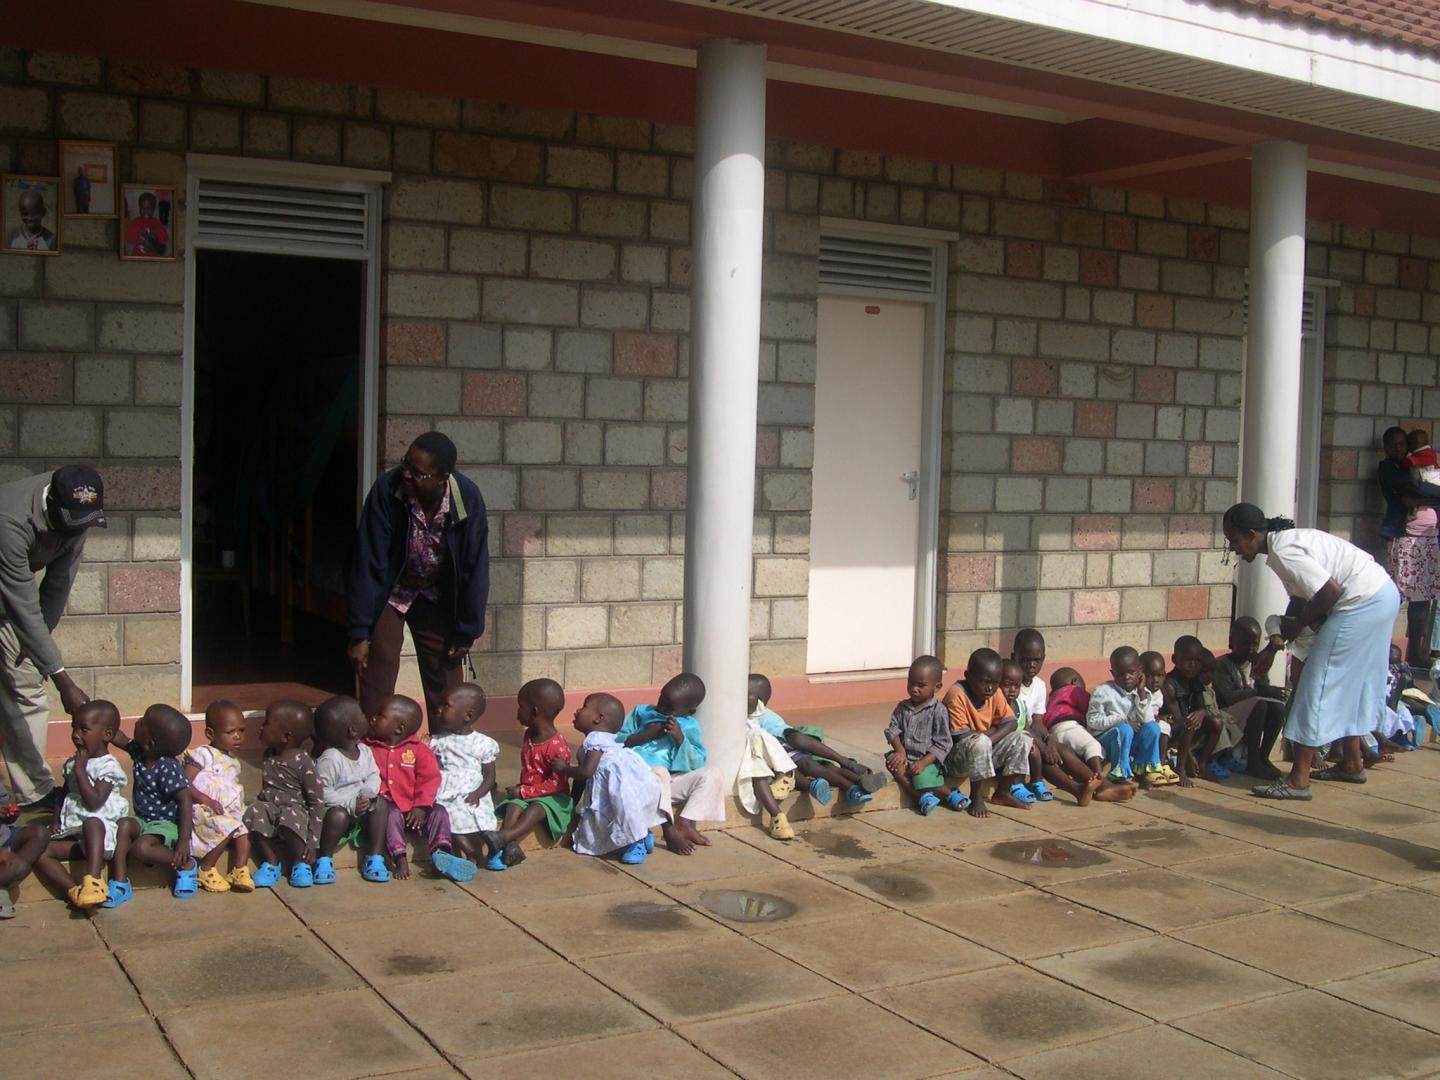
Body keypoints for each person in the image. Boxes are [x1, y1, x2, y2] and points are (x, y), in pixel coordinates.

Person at [1223, 502, 1402, 799]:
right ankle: (1352, 763)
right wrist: (1275, 645)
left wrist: (1299, 625)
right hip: (1381, 594)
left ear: (1251, 534)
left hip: (1361, 602)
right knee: (1351, 685)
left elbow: (1329, 592)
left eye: (1234, 540)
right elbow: (1300, 598)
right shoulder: (1283, 546)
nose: (1233, 548)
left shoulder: (1284, 550)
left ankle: (1298, 780)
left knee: (1314, 687)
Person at [347, 432, 489, 730]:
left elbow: (474, 567)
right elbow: (367, 560)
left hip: (436, 593)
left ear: (442, 478)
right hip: (392, 590)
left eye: (418, 472)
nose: (407, 475)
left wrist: (467, 631)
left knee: (446, 675)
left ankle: (449, 748)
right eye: (405, 465)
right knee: (379, 664)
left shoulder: (467, 498)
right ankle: (375, 747)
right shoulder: (387, 490)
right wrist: (359, 632)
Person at [0, 465, 107, 810]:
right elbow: (21, 603)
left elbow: (58, 583)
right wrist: (62, 679)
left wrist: (37, 645)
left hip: (13, 602)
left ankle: (34, 791)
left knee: (27, 683)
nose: (77, 530)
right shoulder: (9, 520)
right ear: (51, 504)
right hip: (11, 594)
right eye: (71, 522)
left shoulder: (77, 513)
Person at [32, 701, 130, 910]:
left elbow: (94, 802)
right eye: (73, 728)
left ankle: (93, 881)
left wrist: (80, 771)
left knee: (92, 823)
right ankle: (74, 891)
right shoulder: (73, 762)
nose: (76, 735)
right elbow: (64, 794)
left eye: (83, 729)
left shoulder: (108, 766)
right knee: (40, 852)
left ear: (107, 734)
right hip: (76, 836)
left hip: (100, 840)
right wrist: (56, 820)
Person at [365, 695, 472, 883]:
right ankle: (400, 858)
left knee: (439, 812)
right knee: (390, 815)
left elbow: (429, 779)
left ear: (399, 728)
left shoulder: (419, 750)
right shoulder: (368, 747)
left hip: (415, 807)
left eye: (380, 715)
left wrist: (421, 805)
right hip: (389, 805)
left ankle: (442, 854)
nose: (372, 718)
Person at [618, 674, 727, 855]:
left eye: (669, 707)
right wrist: (645, 735)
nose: (662, 707)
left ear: (689, 711)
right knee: (660, 772)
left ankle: (684, 823)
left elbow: (698, 761)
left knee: (713, 773)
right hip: (639, 781)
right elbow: (615, 740)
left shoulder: (689, 726)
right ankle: (669, 831)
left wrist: (680, 740)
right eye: (662, 699)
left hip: (669, 783)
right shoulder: (641, 712)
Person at [554, 692, 666, 864]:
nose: (577, 711)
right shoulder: (609, 740)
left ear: (598, 718)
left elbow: (586, 772)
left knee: (622, 812)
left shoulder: (595, 739)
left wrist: (564, 769)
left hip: (618, 788)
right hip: (622, 785)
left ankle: (636, 842)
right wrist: (571, 803)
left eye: (584, 707)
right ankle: (643, 835)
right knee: (621, 813)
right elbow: (581, 780)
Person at [749, 672, 882, 807]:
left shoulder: (763, 715)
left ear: (759, 701)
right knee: (819, 768)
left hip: (789, 746)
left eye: (746, 693)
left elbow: (782, 732)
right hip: (783, 754)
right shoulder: (746, 716)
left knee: (814, 763)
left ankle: (853, 776)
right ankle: (856, 783)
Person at [109, 704, 198, 902]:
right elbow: (118, 737)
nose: (137, 722)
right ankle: (120, 881)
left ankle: (186, 864)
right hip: (143, 820)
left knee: (141, 848)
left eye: (142, 723)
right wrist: (97, 719)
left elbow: (185, 800)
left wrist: (184, 840)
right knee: (123, 825)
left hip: (166, 824)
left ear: (150, 743)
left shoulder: (167, 767)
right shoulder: (140, 751)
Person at [483, 678, 574, 871]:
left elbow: (556, 784)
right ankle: (509, 846)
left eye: (520, 707)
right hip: (530, 792)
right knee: (513, 806)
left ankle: (504, 836)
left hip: (554, 798)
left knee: (536, 809)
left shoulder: (556, 746)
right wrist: (522, 791)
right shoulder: (529, 735)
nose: (517, 712)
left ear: (534, 712)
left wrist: (524, 792)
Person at [1375, 427, 1440, 672]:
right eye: (1393, 445)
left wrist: (1426, 498)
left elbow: (1419, 491)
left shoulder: (1412, 466)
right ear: (1385, 448)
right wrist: (1432, 494)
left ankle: (1414, 654)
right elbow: (1411, 490)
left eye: (1402, 444)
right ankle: (1381, 648)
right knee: (1396, 595)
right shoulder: (1389, 469)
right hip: (1405, 540)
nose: (1398, 449)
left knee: (1421, 599)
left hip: (1428, 542)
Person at [944, 648, 1037, 811]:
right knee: (979, 742)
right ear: (968, 676)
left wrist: (988, 739)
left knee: (1023, 737)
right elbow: (961, 736)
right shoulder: (957, 694)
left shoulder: (995, 693)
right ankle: (976, 796)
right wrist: (992, 732)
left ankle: (1003, 791)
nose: (990, 688)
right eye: (985, 682)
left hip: (985, 751)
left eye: (995, 683)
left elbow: (1011, 723)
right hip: (956, 759)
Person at [243, 700, 324, 888]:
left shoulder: (303, 762)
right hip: (271, 807)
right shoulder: (268, 755)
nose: (261, 727)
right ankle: (271, 862)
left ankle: (300, 862)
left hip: (295, 810)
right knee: (255, 810)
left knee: (290, 816)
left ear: (286, 736)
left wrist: (313, 842)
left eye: (266, 723)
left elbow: (316, 801)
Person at [184, 700, 253, 893]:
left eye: (241, 730)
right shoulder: (203, 754)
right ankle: (206, 868)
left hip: (226, 812)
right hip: (203, 809)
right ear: (210, 734)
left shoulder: (234, 762)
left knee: (244, 829)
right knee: (227, 826)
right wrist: (204, 799)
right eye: (230, 732)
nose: (238, 736)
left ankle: (239, 869)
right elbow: (184, 783)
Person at [428, 683, 500, 866]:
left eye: (446, 705)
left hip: (474, 790)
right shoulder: (437, 741)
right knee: (449, 817)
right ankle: (471, 853)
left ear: (467, 715)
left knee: (481, 817)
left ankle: (496, 846)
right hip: (447, 791)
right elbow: (433, 770)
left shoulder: (484, 743)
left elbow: (490, 775)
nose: (438, 709)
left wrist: (479, 793)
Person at [314, 695, 381, 885]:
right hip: (337, 808)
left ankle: (375, 856)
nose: (366, 716)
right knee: (338, 816)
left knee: (381, 806)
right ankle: (324, 859)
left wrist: (368, 793)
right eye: (361, 714)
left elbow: (374, 775)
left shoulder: (365, 751)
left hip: (361, 806)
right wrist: (349, 804)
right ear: (353, 730)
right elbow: (322, 792)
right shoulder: (330, 758)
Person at [883, 655, 960, 815]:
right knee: (892, 764)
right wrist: (900, 750)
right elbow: (893, 729)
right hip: (905, 757)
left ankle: (949, 793)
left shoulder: (938, 711)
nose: (914, 689)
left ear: (937, 687)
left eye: (921, 685)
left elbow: (943, 743)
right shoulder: (902, 707)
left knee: (921, 778)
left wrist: (923, 763)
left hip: (927, 760)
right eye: (910, 683)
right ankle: (922, 797)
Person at [1044, 669, 1135, 802]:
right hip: (1070, 726)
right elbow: (1091, 711)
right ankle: (1101, 783)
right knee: (1093, 746)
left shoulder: (1052, 698)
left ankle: (1090, 781)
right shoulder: (1074, 691)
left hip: (1054, 732)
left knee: (1078, 752)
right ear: (1074, 681)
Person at [1214, 617, 1287, 781]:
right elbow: (1229, 697)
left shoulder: (1256, 663)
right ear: (1231, 642)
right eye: (1245, 643)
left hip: (1249, 712)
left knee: (1277, 707)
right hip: (1227, 714)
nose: (1251, 649)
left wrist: (1261, 674)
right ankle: (1253, 762)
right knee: (1260, 704)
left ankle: (1263, 757)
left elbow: (1264, 688)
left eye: (1255, 644)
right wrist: (1260, 691)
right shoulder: (1222, 664)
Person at [1086, 647, 1167, 787]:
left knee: (1153, 728)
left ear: (1140, 671)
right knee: (1124, 729)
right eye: (1121, 674)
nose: (1127, 677)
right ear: (1113, 673)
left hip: (1129, 740)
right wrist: (1121, 720)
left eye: (1131, 672)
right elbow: (1092, 721)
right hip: (1107, 741)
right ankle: (1119, 774)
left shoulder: (1143, 691)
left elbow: (1148, 720)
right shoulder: (1103, 692)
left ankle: (1140, 770)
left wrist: (1141, 692)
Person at [1161, 636, 1220, 787]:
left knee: (1216, 723)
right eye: (1188, 660)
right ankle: (1180, 769)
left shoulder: (1195, 680)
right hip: (1171, 731)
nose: (1193, 665)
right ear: (1175, 659)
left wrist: (1201, 713)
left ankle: (1202, 765)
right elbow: (1178, 720)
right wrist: (1189, 757)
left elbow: (1201, 708)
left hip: (1188, 729)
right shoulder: (1169, 685)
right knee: (1189, 723)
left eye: (1197, 661)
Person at [1001, 659, 1055, 802]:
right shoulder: (998, 706)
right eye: (1007, 685)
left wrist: (1041, 744)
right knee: (1022, 747)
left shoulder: (1020, 704)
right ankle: (1015, 784)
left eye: (1017, 686)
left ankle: (1036, 781)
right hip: (1007, 747)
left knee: (1034, 751)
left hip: (1022, 741)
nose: (1012, 690)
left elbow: (1026, 727)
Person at [1012, 628, 1048, 721]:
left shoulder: (1040, 686)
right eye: (1026, 660)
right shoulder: (1009, 687)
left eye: (1037, 660)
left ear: (1043, 659)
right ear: (1014, 657)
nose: (1032, 665)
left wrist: (1044, 732)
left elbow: (1037, 720)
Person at [122, 191, 168, 257]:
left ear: (154, 209)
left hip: (153, 256)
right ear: (139, 208)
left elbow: (165, 237)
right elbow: (128, 238)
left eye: (149, 208)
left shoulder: (156, 222)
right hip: (137, 255)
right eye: (143, 208)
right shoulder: (135, 222)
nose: (146, 210)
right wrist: (138, 231)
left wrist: (157, 232)